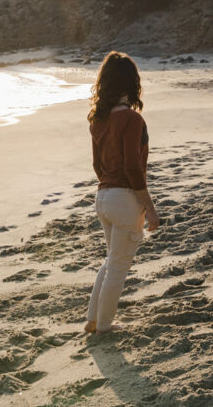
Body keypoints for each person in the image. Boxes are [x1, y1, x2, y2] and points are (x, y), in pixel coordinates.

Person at [84, 51, 160, 334]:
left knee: (110, 261)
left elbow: (97, 165)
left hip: (102, 197)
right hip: (124, 198)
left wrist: (110, 188)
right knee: (117, 267)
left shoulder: (98, 120)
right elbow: (132, 166)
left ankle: (93, 320)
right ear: (131, 82)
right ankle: (104, 327)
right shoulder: (132, 119)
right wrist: (149, 208)